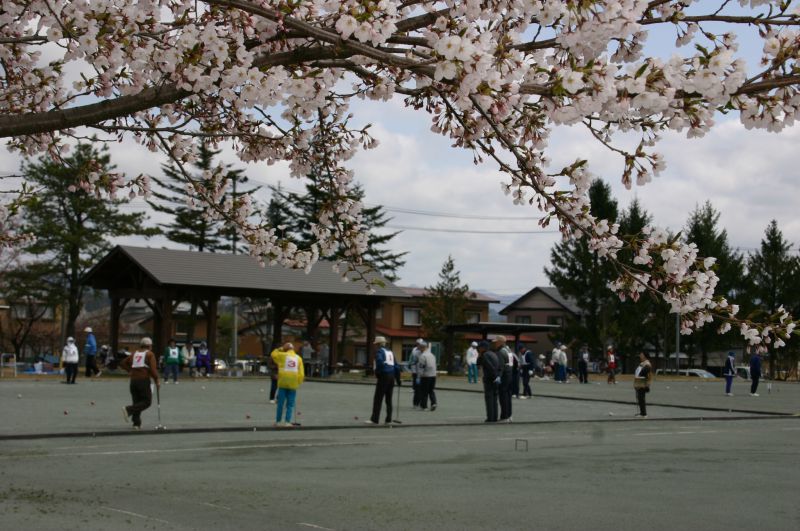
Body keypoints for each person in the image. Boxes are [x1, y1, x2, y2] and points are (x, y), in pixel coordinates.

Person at [120, 337, 160, 430]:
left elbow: (122, 363)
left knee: (137, 402)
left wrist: (130, 370)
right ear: (149, 346)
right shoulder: (150, 354)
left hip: (133, 381)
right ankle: (128, 409)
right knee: (147, 402)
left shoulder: (134, 354)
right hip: (143, 380)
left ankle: (136, 423)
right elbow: (153, 369)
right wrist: (157, 380)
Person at [367, 336, 400, 424]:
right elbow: (396, 366)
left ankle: (375, 419)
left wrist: (378, 373)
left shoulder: (379, 352)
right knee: (389, 399)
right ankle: (388, 419)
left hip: (384, 376)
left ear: (377, 344)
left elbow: (379, 362)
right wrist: (398, 379)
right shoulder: (390, 352)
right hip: (392, 377)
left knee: (378, 398)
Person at [271, 342, 305, 427]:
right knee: (290, 404)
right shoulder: (299, 358)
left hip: (283, 382)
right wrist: (298, 382)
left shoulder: (282, 355)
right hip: (293, 384)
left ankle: (278, 421)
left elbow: (273, 354)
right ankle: (287, 422)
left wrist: (280, 348)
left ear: (285, 349)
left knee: (280, 403)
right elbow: (301, 374)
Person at [477, 340, 501, 422]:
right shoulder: (493, 354)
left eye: (479, 347)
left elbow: (489, 366)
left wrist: (494, 376)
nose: (478, 349)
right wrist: (497, 376)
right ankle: (494, 417)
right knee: (494, 398)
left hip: (489, 379)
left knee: (489, 398)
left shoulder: (486, 355)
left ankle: (490, 417)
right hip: (496, 378)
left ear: (483, 348)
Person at [493, 335, 513, 422]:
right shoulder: (508, 350)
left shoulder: (500, 351)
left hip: (504, 375)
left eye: (496, 342)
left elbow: (501, 366)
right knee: (508, 396)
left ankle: (504, 416)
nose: (494, 344)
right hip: (510, 373)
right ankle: (509, 415)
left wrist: (498, 376)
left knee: (503, 396)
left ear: (500, 342)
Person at [416, 340, 438, 411]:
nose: (420, 350)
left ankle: (424, 406)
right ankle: (433, 403)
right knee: (431, 390)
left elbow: (421, 367)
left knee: (424, 391)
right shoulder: (432, 355)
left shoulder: (423, 356)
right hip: (433, 375)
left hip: (425, 376)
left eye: (420, 348)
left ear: (422, 348)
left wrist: (419, 376)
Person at [633, 351, 652, 418]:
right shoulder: (642, 363)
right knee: (639, 397)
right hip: (639, 382)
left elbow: (645, 372)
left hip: (643, 382)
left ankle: (644, 414)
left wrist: (639, 376)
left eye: (641, 355)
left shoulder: (647, 363)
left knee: (641, 397)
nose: (640, 356)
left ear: (644, 356)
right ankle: (642, 412)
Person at [409, 338, 424, 409]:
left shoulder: (423, 351)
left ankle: (420, 403)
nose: (418, 345)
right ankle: (416, 403)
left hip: (421, 372)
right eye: (417, 343)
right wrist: (410, 363)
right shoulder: (414, 350)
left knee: (421, 388)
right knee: (416, 388)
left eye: (419, 344)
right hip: (415, 371)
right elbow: (412, 358)